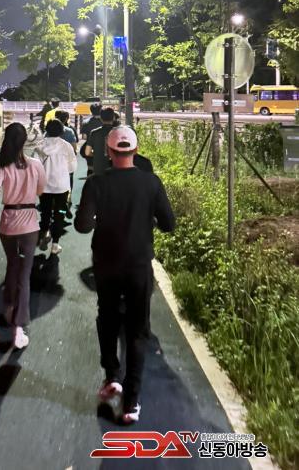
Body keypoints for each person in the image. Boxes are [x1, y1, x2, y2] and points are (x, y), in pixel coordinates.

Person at [74, 126, 175, 424]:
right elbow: (169, 224)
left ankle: (111, 376)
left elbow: (82, 225)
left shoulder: (96, 183)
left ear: (108, 151)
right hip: (138, 265)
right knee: (137, 329)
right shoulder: (151, 182)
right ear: (136, 150)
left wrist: (100, 219)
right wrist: (146, 219)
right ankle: (131, 403)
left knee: (107, 317)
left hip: (106, 263)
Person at [0, 123, 46, 349]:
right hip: (30, 223)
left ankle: (8, 307)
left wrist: (6, 189)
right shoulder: (35, 164)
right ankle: (19, 327)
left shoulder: (2, 166)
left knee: (12, 264)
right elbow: (41, 190)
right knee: (24, 274)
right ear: (25, 141)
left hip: (8, 223)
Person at [35, 119, 77, 255]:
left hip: (44, 186)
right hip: (61, 187)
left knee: (45, 212)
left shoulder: (39, 146)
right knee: (60, 213)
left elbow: (34, 166)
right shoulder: (66, 146)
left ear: (46, 130)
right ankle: (55, 244)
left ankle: (45, 232)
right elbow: (73, 167)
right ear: (61, 131)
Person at [54, 110, 77, 218]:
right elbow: (74, 148)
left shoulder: (49, 132)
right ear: (66, 119)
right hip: (67, 164)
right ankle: (64, 206)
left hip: (53, 164)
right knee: (67, 186)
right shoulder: (69, 131)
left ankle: (57, 208)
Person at [85, 107, 115, 176]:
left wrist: (96, 154)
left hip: (99, 168)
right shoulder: (118, 132)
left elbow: (87, 152)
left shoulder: (94, 132)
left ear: (101, 118)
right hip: (114, 168)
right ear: (113, 118)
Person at [80, 103, 103, 176]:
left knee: (90, 168)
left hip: (89, 147)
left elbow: (84, 137)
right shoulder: (104, 121)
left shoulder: (85, 122)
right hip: (103, 147)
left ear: (91, 111)